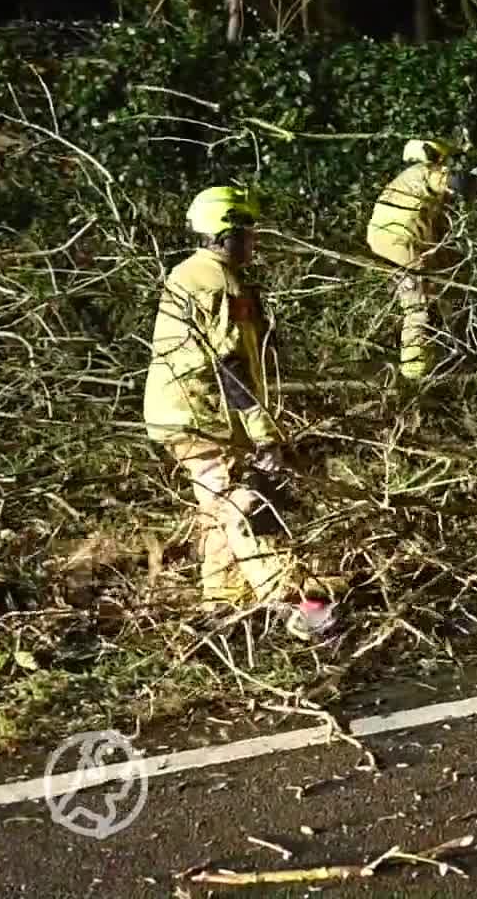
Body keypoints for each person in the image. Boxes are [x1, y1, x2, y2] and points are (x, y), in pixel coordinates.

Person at [143, 185, 332, 640]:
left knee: (216, 507)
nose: (253, 241)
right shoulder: (220, 284)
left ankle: (222, 604)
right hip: (202, 415)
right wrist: (264, 433)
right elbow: (231, 366)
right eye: (246, 232)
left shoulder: (191, 272)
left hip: (178, 412)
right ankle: (301, 609)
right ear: (225, 234)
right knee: (245, 505)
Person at [366, 138, 477, 380]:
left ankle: (448, 351)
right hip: (401, 240)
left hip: (388, 241)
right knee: (417, 301)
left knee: (434, 288)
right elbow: (457, 182)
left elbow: (438, 235)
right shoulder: (425, 172)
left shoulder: (407, 183)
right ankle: (414, 369)